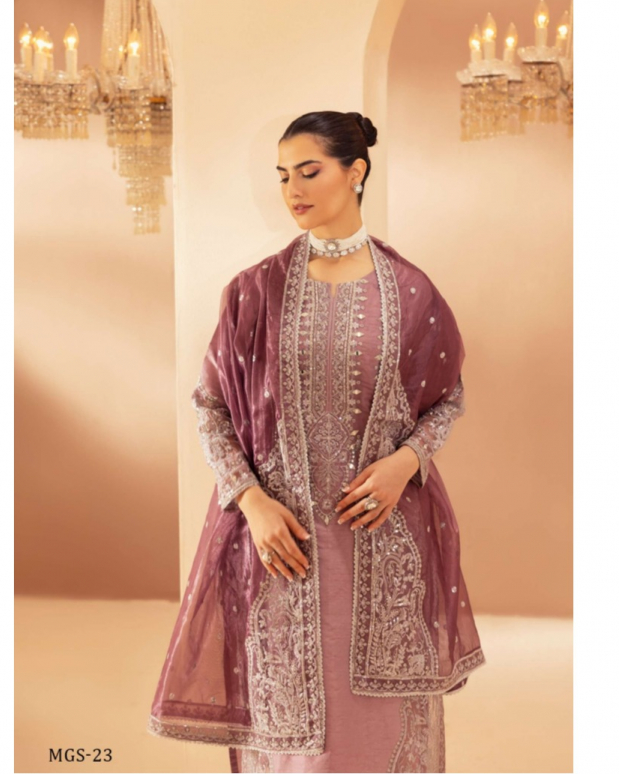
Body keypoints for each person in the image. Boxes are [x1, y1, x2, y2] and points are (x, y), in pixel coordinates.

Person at [147, 111, 486, 773]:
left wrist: (405, 462)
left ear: (355, 172)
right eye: (283, 176)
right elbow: (210, 407)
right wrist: (251, 503)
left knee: (378, 739)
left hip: (383, 548)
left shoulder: (411, 292)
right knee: (294, 745)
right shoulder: (255, 292)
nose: (293, 190)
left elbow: (448, 398)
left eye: (309, 171)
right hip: (283, 550)